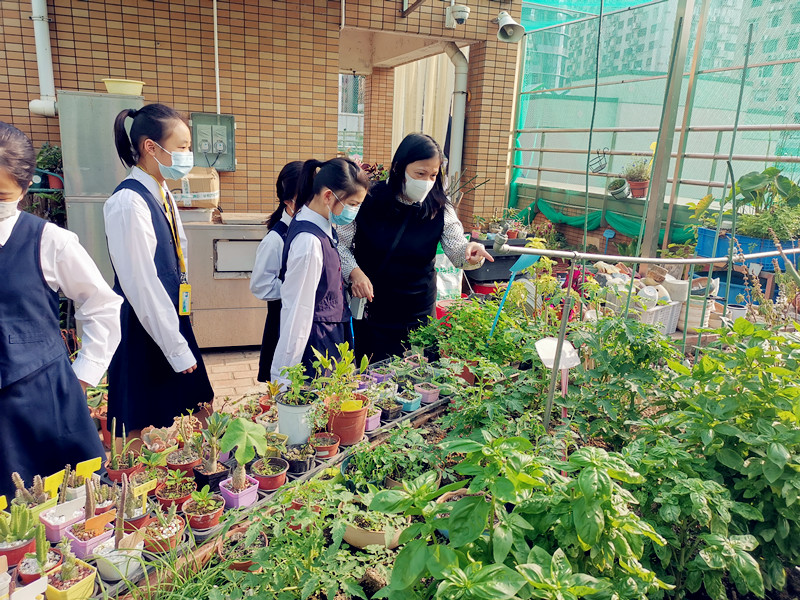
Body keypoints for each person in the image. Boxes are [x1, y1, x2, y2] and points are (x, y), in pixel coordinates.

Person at [0, 122, 122, 498]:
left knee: (71, 502)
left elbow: (102, 305)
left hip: (44, 398)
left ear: (24, 188)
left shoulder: (49, 241)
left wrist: (82, 376)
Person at [105, 103, 214, 441]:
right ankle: (138, 473)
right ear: (150, 147)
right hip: (143, 321)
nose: (187, 155)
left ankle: (208, 461)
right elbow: (141, 284)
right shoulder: (128, 203)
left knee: (199, 400)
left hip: (169, 314)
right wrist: (175, 346)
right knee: (137, 418)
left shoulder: (161, 189)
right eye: (181, 147)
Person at [338, 133, 493, 362]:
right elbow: (339, 245)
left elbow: (457, 249)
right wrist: (355, 273)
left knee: (420, 372)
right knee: (374, 372)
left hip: (419, 310)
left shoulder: (440, 206)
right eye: (420, 174)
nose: (427, 182)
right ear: (399, 167)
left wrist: (470, 253)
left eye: (433, 175)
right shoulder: (368, 199)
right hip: (374, 309)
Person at [270, 158, 370, 384]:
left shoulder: (320, 225)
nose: (354, 211)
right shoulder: (309, 242)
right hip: (316, 347)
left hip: (329, 337)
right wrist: (283, 377)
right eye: (352, 204)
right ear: (328, 196)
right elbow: (297, 311)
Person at [250, 161, 304, 382]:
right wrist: (295, 287)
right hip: (282, 321)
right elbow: (261, 286)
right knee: (282, 385)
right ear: (288, 201)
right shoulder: (275, 239)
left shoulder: (308, 230)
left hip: (300, 322)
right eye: (305, 198)